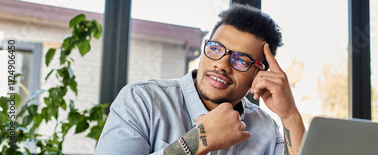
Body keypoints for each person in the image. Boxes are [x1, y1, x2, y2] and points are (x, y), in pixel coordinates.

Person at [94, 4, 305, 155]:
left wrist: (290, 116)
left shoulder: (265, 128)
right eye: (215, 49)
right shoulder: (142, 100)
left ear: (259, 74)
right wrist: (198, 141)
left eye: (241, 60)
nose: (222, 64)